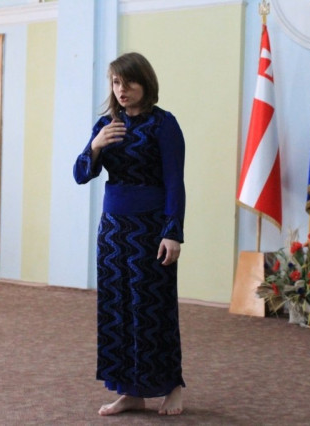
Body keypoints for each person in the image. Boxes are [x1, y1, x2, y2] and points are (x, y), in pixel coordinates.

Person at [73, 52, 186, 416]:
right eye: (116, 82)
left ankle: (172, 386)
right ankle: (130, 392)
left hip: (151, 229)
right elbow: (80, 174)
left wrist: (173, 232)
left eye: (129, 82)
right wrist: (96, 146)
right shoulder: (106, 125)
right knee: (117, 309)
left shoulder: (163, 124)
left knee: (153, 309)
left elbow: (174, 183)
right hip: (113, 232)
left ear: (145, 82)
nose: (121, 89)